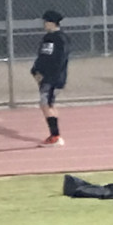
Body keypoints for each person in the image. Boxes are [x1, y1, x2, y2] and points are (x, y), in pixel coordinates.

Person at [30, 10, 69, 147]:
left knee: (46, 104)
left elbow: (58, 60)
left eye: (46, 21)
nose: (44, 24)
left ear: (52, 22)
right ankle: (55, 134)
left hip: (53, 78)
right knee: (47, 104)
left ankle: (55, 136)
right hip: (46, 78)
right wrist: (35, 70)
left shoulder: (60, 39)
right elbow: (43, 57)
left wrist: (50, 76)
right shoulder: (48, 38)